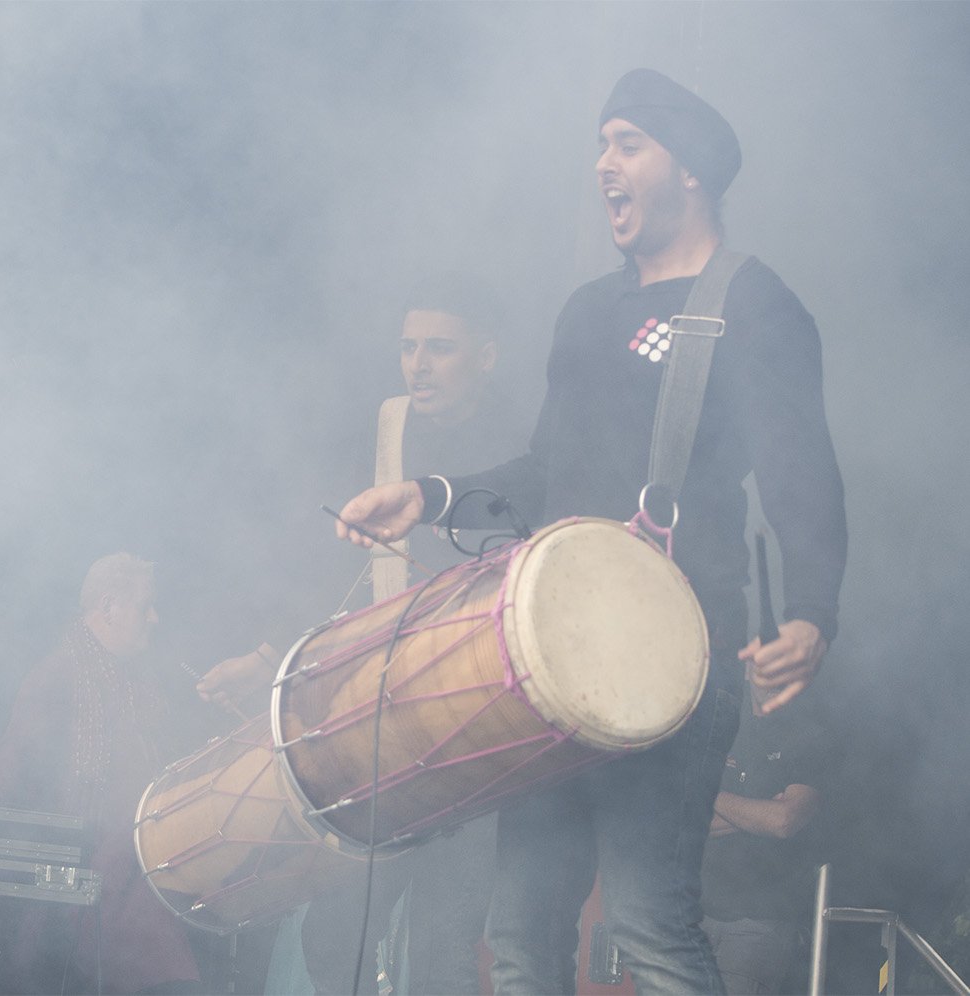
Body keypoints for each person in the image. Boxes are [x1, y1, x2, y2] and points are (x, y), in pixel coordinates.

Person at [332, 68, 846, 994]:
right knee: (522, 931)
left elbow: (802, 475)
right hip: (552, 666)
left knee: (650, 925)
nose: (602, 163)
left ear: (686, 169)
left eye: (626, 143)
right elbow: (546, 475)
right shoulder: (585, 311)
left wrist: (812, 612)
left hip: (677, 659)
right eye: (600, 144)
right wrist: (432, 493)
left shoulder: (755, 305)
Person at [201, 276, 528, 994]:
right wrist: (264, 657)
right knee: (337, 932)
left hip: (476, 732)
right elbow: (333, 569)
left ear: (486, 356)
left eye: (439, 348)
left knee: (447, 948)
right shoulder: (386, 428)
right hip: (381, 731)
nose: (418, 364)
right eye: (409, 347)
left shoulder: (524, 446)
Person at [0, 553, 202, 996]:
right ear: (108, 607)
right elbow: (2, 787)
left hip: (141, 888)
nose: (155, 618)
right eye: (146, 606)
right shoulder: (54, 678)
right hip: (78, 901)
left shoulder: (143, 685)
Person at [700, 688, 825, 995]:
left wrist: (709, 795)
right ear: (747, 667)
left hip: (758, 925)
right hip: (693, 915)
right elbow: (683, 821)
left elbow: (784, 821)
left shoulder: (806, 736)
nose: (771, 671)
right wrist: (759, 809)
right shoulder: (717, 729)